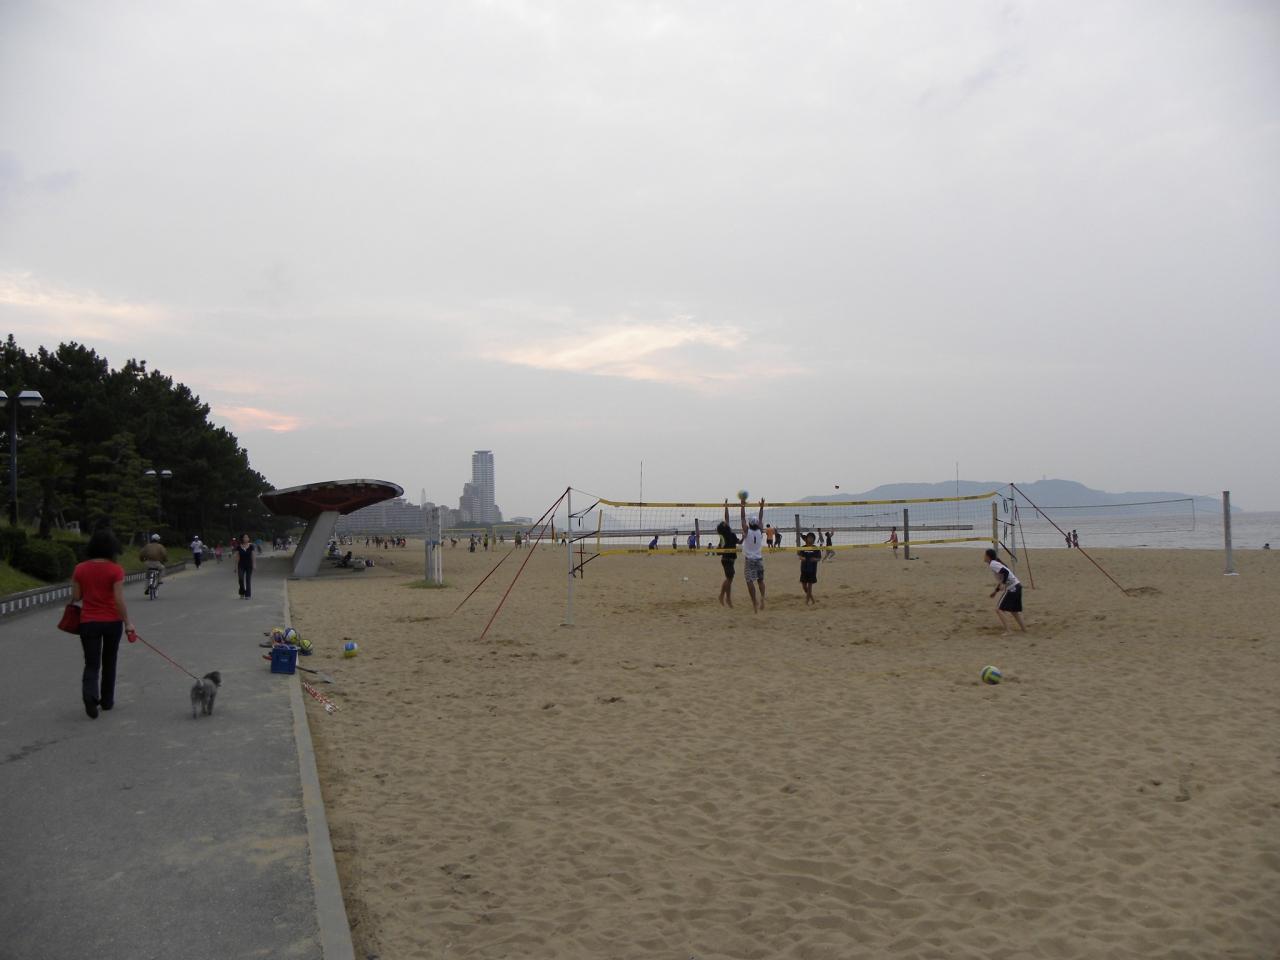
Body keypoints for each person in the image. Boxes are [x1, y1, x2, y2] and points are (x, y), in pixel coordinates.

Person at [70, 528, 133, 718]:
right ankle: (107, 701)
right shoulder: (116, 569)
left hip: (88, 621)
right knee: (109, 661)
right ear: (112, 548)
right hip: (112, 622)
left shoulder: (80, 568)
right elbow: (118, 600)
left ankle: (90, 695)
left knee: (91, 663)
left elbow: (76, 596)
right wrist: (128, 623)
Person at [984, 548, 1026, 633]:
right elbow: (1003, 577)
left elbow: (1006, 573)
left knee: (998, 609)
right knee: (1014, 611)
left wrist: (1003, 584)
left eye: (985, 555)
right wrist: (995, 591)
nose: (983, 557)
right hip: (1017, 586)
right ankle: (1024, 629)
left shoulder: (993, 564)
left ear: (988, 556)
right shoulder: (996, 563)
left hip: (1012, 588)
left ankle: (1009, 631)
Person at [741, 497, 767, 612]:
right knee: (760, 580)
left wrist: (742, 506)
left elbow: (742, 518)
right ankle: (762, 598)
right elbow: (761, 518)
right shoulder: (760, 531)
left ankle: (754, 602)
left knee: (749, 580)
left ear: (749, 524)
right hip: (759, 559)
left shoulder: (747, 531)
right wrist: (761, 507)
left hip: (750, 560)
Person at [716, 501, 740, 607]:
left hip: (731, 559)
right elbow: (718, 551)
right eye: (725, 524)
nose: (726, 523)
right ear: (724, 528)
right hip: (726, 560)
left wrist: (726, 507)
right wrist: (719, 549)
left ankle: (727, 598)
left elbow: (727, 518)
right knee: (729, 579)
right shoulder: (723, 537)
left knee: (729, 579)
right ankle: (722, 596)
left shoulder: (731, 535)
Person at [798, 532, 821, 605]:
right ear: (806, 539)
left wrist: (815, 559)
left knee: (810, 586)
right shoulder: (803, 547)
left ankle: (807, 601)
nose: (810, 539)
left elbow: (819, 558)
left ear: (814, 540)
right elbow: (799, 556)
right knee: (804, 586)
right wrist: (802, 558)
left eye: (812, 538)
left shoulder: (816, 548)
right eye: (809, 538)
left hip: (812, 570)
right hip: (804, 569)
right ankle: (812, 599)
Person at [235, 533, 255, 599]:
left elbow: (253, 556)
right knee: (240, 579)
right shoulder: (239, 547)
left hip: (249, 565)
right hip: (241, 565)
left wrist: (254, 564)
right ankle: (242, 592)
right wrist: (235, 567)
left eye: (247, 537)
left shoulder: (251, 546)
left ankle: (248, 595)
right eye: (245, 537)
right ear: (242, 538)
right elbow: (237, 557)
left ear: (248, 539)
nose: (246, 538)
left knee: (248, 579)